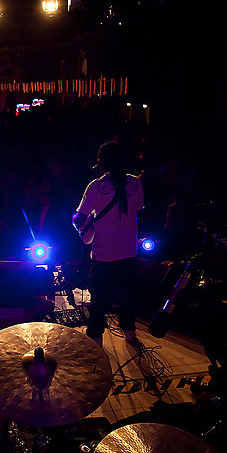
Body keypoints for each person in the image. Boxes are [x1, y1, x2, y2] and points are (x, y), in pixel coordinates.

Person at [72, 142, 145, 345]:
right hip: (129, 251)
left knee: (99, 299)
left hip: (103, 254)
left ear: (101, 162)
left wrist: (84, 230)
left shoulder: (96, 187)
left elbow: (79, 218)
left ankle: (96, 339)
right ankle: (130, 334)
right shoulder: (135, 183)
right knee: (127, 296)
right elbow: (140, 213)